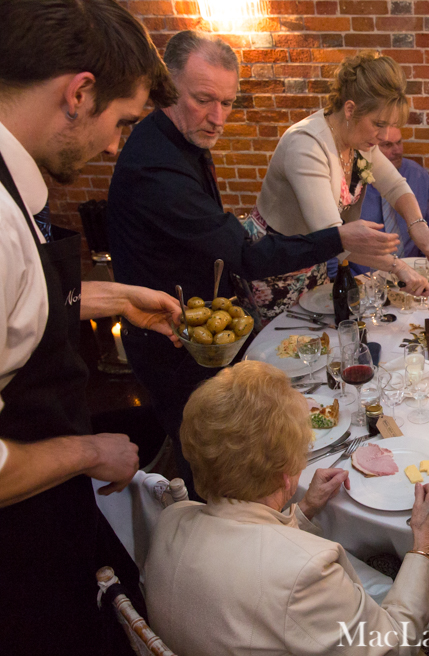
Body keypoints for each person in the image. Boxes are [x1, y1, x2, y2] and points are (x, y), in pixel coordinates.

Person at [106, 31, 399, 497]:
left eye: (227, 102)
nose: (218, 117)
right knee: (207, 456)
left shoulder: (180, 139)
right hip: (169, 338)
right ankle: (212, 535)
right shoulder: (155, 167)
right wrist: (339, 237)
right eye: (204, 100)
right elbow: (245, 254)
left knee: (231, 439)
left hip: (197, 320)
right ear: (169, 87)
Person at [0, 1, 185, 653]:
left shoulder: (20, 186)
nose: (115, 146)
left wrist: (115, 297)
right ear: (80, 93)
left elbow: (23, 304)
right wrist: (89, 451)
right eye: (123, 122)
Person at [145, 360, 429, 655]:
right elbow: (392, 644)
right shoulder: (306, 574)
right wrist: (424, 544)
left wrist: (304, 509)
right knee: (428, 609)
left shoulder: (171, 519)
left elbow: (250, 549)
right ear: (286, 475)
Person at [254, 51, 429, 312]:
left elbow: (396, 186)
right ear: (350, 109)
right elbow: (334, 239)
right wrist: (399, 266)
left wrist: (418, 226)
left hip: (313, 260)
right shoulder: (307, 145)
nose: (384, 136)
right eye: (378, 124)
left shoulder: (359, 141)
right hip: (274, 264)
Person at [352, 125, 429, 275]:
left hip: (413, 272)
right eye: (388, 145)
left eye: (399, 143)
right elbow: (334, 235)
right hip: (362, 276)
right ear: (370, 148)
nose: (397, 151)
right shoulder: (352, 181)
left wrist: (425, 272)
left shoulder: (418, 176)